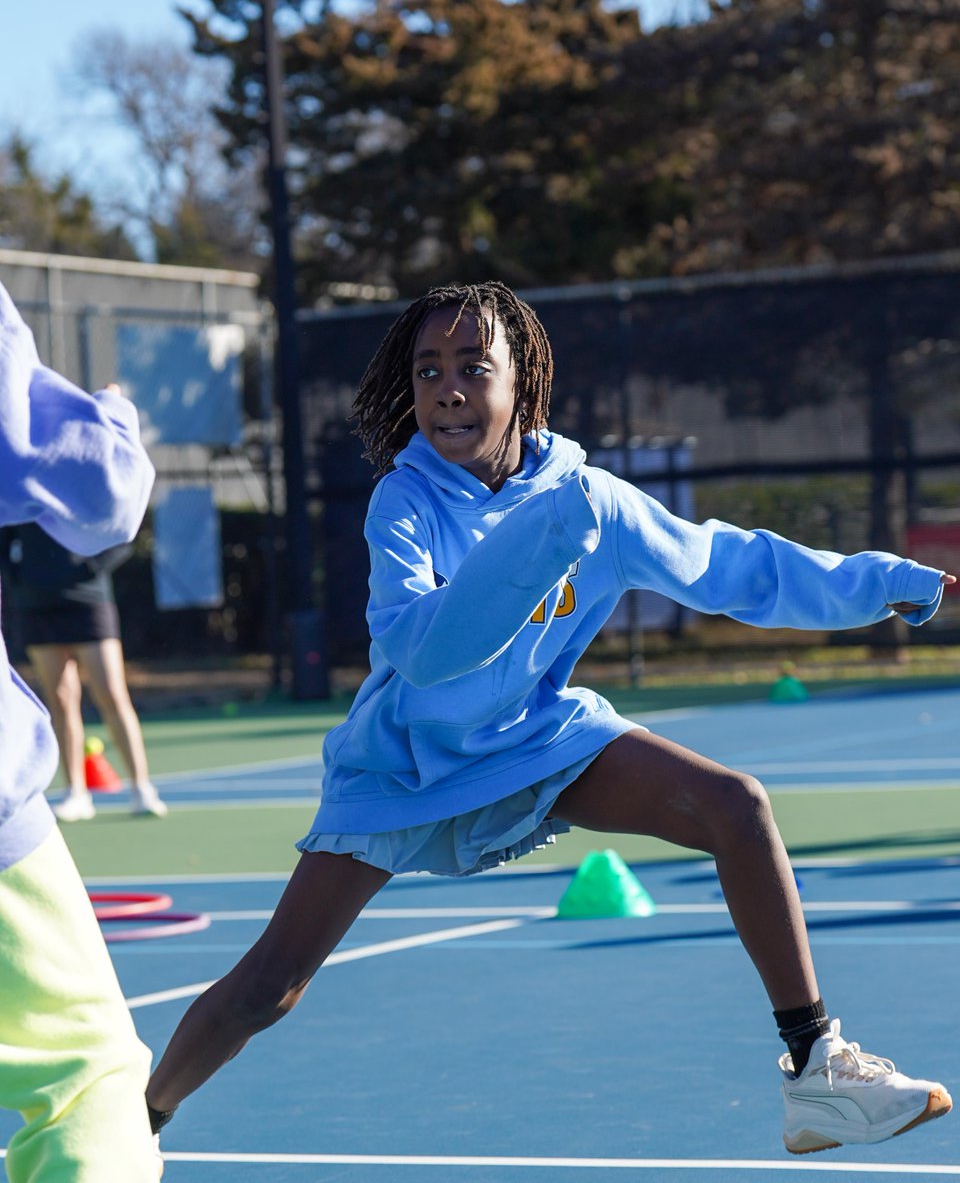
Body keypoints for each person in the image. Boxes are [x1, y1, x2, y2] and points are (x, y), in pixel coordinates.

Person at [146, 281, 956, 1157]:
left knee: (737, 806)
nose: (447, 388)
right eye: (428, 370)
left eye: (472, 366)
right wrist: (548, 536)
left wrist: (880, 583)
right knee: (270, 984)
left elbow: (732, 567)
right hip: (405, 763)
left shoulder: (591, 502)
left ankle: (818, 1072)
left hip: (536, 739)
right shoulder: (405, 503)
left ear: (522, 386)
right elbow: (422, 653)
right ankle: (137, 1117)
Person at [0, 280, 160, 1180]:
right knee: (86, 1083)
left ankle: (138, 782)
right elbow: (100, 487)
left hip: (82, 610)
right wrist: (113, 417)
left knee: (105, 694)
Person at [0, 522, 166, 822]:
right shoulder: (19, 489)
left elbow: (122, 530)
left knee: (112, 694)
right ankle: (76, 792)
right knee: (61, 700)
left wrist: (89, 568)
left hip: (88, 599)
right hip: (37, 604)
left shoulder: (81, 483)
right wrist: (18, 578)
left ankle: (142, 788)